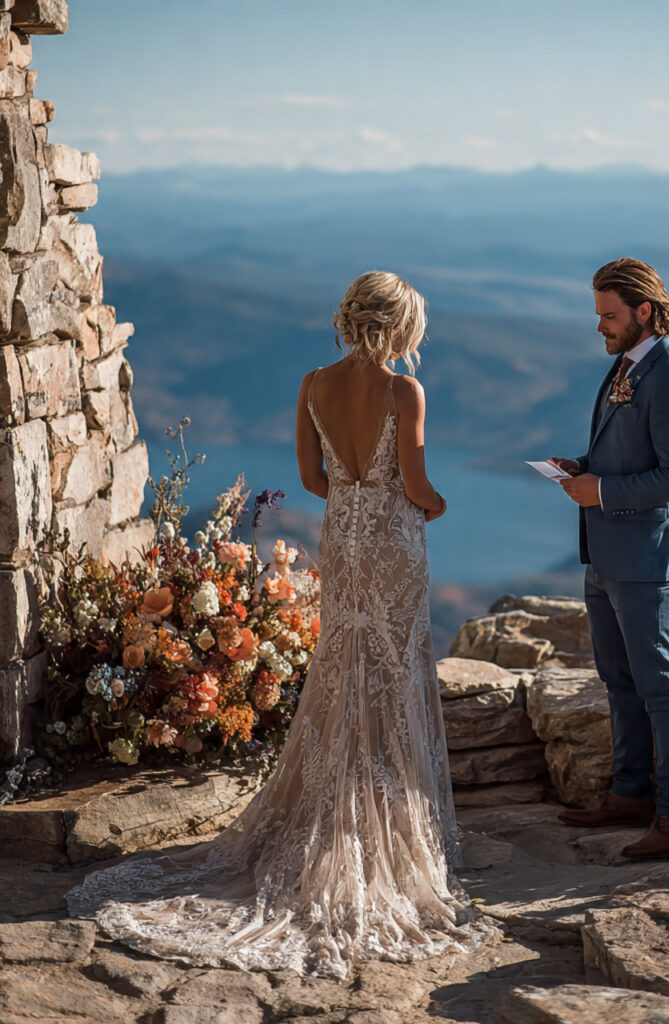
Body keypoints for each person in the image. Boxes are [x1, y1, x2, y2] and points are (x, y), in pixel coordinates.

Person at [67, 270, 498, 976]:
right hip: (393, 543)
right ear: (395, 327)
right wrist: (435, 506)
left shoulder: (313, 384)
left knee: (343, 664)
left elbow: (312, 479)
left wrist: (355, 495)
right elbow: (418, 485)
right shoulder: (404, 391)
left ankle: (334, 813)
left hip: (343, 534)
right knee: (391, 669)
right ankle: (388, 824)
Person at [550, 257, 669, 860]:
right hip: (606, 553)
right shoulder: (627, 365)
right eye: (598, 314)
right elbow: (628, 453)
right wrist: (584, 468)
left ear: (644, 311)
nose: (600, 326)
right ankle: (631, 793)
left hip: (646, 559)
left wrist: (604, 491)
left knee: (661, 687)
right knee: (618, 680)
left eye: (609, 315)